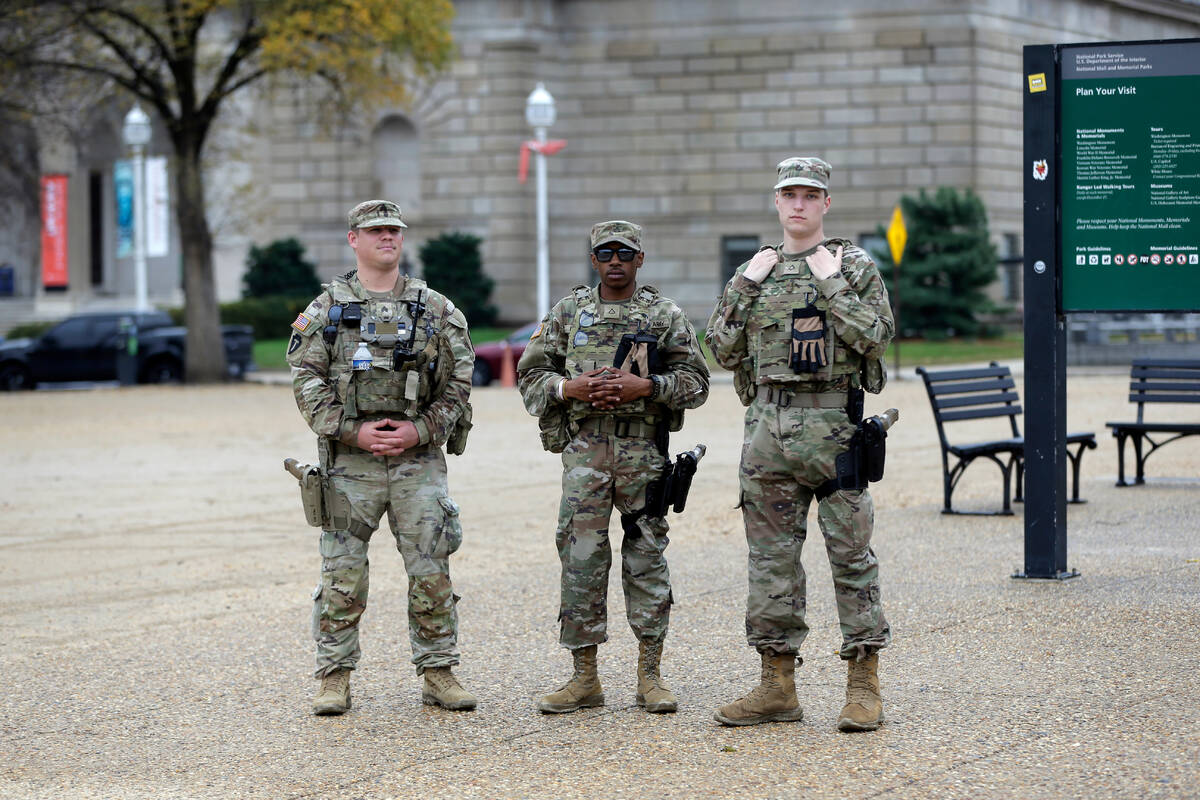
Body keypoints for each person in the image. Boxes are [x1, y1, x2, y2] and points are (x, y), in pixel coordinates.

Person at [706, 158, 894, 731]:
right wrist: (745, 284)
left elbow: (877, 337)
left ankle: (863, 684)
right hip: (767, 432)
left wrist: (829, 281)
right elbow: (720, 347)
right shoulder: (754, 272)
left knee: (851, 557)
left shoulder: (854, 266)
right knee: (770, 565)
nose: (798, 204)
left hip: (834, 431)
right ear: (776, 200)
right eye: (789, 194)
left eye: (810, 195)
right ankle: (776, 684)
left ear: (826, 203)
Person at [287, 200, 476, 716]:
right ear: (354, 239)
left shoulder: (435, 308)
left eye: (393, 230)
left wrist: (420, 429)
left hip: (418, 461)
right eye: (375, 231)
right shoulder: (327, 308)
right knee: (342, 573)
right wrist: (354, 431)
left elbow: (460, 382)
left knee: (431, 566)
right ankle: (334, 677)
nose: (386, 238)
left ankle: (439, 671)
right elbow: (306, 379)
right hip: (351, 464)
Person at [517, 220, 709, 714]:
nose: (615, 261)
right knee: (580, 559)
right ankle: (584, 678)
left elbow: (698, 381)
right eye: (605, 253)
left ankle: (651, 676)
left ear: (640, 259)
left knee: (646, 557)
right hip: (584, 451)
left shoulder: (663, 314)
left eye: (625, 252)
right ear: (594, 260)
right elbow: (531, 376)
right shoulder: (568, 313)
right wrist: (569, 389)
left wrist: (648, 388)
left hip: (642, 451)